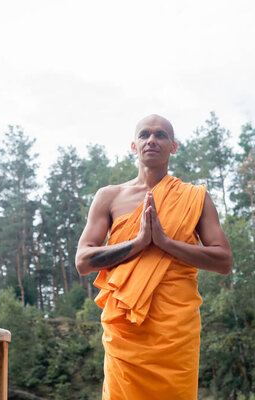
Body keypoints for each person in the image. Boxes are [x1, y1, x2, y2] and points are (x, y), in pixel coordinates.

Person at [75, 114, 233, 400]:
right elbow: (83, 261)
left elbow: (223, 261)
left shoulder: (195, 197)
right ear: (133, 146)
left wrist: (164, 243)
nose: (152, 140)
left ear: (173, 146)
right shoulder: (109, 197)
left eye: (160, 135)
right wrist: (138, 244)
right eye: (145, 134)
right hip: (126, 332)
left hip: (176, 330)